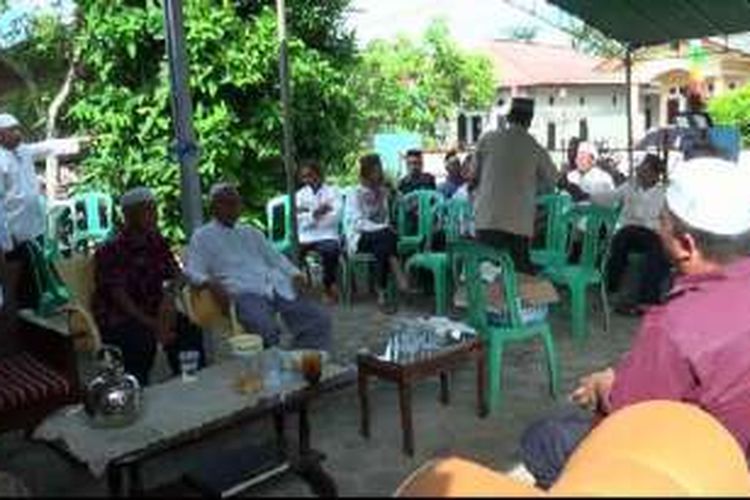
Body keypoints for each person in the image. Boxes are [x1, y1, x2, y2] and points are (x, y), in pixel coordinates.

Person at [518, 158, 750, 489]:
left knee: (542, 438)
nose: (658, 229)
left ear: (687, 245)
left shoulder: (677, 325)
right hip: (732, 449)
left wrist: (603, 388)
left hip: (689, 465)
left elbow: (630, 415)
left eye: (663, 222)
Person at [186, 183, 331, 351]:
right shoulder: (203, 236)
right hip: (244, 291)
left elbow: (276, 259)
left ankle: (303, 360)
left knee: (318, 320)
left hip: (276, 285)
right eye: (226, 203)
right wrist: (210, 283)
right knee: (265, 331)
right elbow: (192, 271)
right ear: (213, 207)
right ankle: (273, 366)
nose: (233, 207)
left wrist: (295, 274)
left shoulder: (250, 232)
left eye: (236, 202)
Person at [92, 187, 205, 385]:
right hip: (120, 317)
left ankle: (190, 382)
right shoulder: (110, 250)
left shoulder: (156, 241)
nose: (155, 216)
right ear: (129, 216)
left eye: (155, 210)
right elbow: (120, 299)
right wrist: (154, 325)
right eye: (148, 211)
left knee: (189, 332)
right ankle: (138, 390)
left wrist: (169, 299)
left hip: (155, 309)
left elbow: (178, 274)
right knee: (140, 342)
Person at [0, 113, 81, 321]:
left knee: (39, 267)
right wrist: (7, 237)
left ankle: (40, 306)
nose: (19, 133)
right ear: (1, 136)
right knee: (24, 272)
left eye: (18, 128)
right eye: (13, 130)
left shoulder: (24, 152)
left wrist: (75, 142)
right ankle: (28, 311)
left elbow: (47, 147)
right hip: (15, 230)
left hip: (34, 224)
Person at [474, 97, 558, 274]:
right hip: (518, 222)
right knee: (519, 277)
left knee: (487, 273)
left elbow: (474, 177)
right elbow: (553, 180)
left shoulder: (488, 139)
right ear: (529, 120)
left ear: (509, 118)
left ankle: (486, 301)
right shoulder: (534, 147)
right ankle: (519, 301)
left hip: (487, 218)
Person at [591, 154, 670, 312]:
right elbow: (609, 197)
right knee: (620, 239)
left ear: (655, 174)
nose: (640, 173)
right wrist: (587, 196)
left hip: (652, 233)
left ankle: (648, 300)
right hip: (629, 232)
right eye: (640, 170)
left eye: (645, 171)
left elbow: (666, 220)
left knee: (658, 248)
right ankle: (612, 291)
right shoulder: (630, 186)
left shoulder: (664, 193)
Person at [344, 153, 409, 311]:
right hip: (359, 238)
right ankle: (399, 278)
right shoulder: (355, 193)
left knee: (383, 244)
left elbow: (389, 214)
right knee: (386, 236)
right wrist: (382, 228)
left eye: (380, 170)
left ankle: (382, 294)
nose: (380, 173)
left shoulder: (381, 192)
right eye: (376, 170)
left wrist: (393, 192)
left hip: (380, 239)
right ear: (367, 173)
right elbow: (357, 223)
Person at [296, 160, 342, 304]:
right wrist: (316, 213)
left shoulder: (333, 192)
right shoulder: (300, 195)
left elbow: (336, 217)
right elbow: (297, 221)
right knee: (290, 252)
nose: (307, 180)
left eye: (310, 175)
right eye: (304, 177)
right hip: (305, 236)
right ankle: (296, 288)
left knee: (331, 251)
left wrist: (309, 216)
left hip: (327, 234)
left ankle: (327, 287)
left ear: (319, 174)